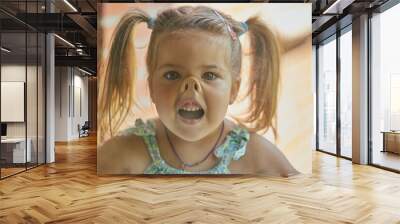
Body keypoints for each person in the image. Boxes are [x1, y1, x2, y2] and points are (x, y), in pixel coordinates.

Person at [98, 5, 299, 176]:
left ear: (233, 90)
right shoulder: (123, 152)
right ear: (151, 88)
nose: (191, 86)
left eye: (209, 75)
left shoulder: (256, 155)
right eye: (172, 75)